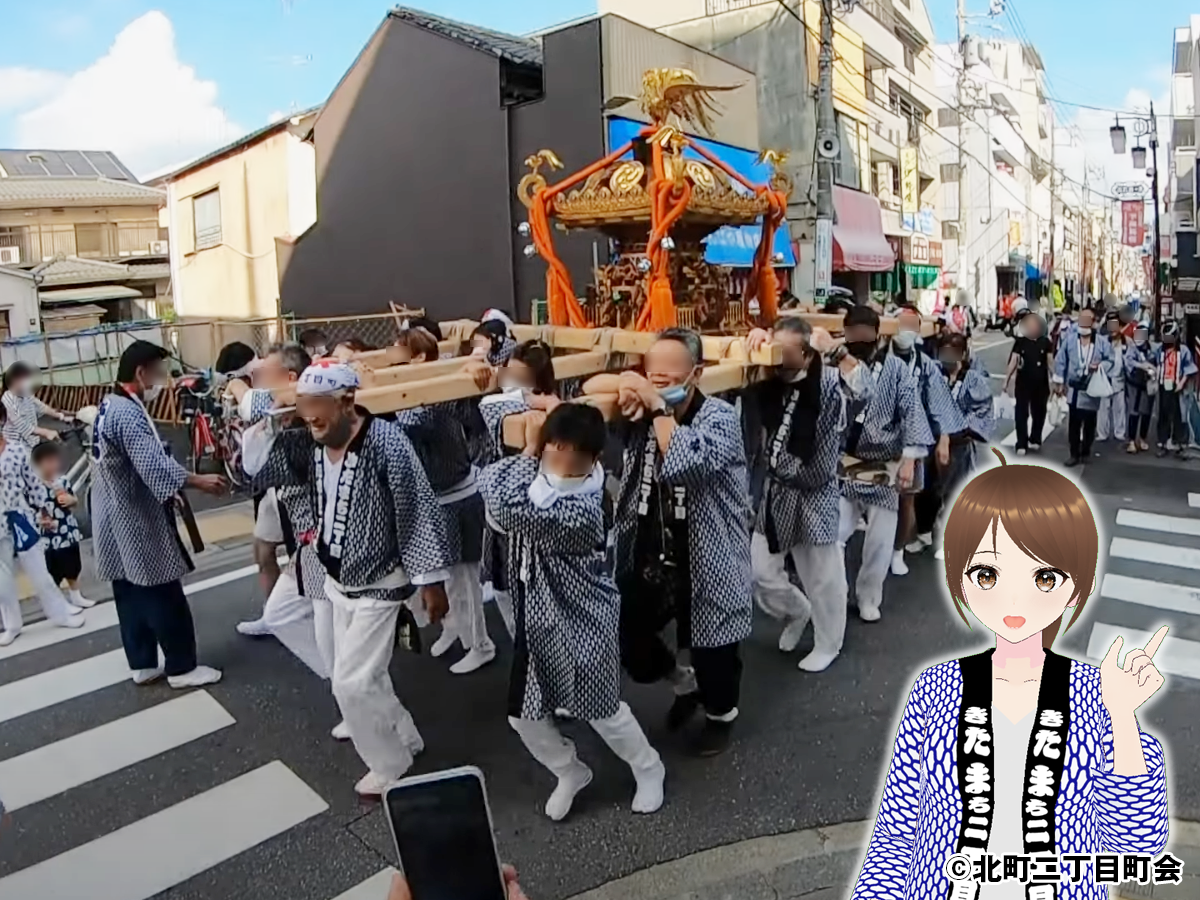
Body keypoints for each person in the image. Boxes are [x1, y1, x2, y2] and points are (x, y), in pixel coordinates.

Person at [851, 451, 1169, 899]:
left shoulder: (1097, 694)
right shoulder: (935, 690)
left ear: (1079, 584)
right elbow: (896, 833)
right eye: (987, 574)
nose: (1014, 599)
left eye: (1043, 578)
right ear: (960, 576)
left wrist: (1121, 717)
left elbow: (1137, 844)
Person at [245, 360, 454, 796]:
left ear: (347, 402)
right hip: (337, 577)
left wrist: (430, 582)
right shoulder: (307, 442)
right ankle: (406, 735)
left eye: (321, 405)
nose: (313, 415)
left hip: (382, 580)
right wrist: (270, 417)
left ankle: (390, 764)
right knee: (365, 677)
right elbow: (257, 472)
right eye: (305, 405)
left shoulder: (387, 444)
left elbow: (417, 513)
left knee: (351, 681)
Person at [481, 403, 665, 821]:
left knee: (601, 708)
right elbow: (495, 441)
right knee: (523, 716)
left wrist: (529, 450)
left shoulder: (583, 508)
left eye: (573, 452)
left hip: (584, 619)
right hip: (538, 616)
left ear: (594, 458)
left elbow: (502, 501)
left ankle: (648, 766)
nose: (561, 458)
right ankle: (569, 770)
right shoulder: (543, 482)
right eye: (555, 445)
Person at [584, 328, 753, 757]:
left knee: (713, 646)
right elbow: (590, 389)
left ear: (695, 374)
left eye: (667, 378)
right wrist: (627, 383)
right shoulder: (642, 407)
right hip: (650, 546)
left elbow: (687, 464)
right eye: (650, 374)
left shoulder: (719, 416)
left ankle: (720, 714)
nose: (655, 385)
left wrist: (657, 404)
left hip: (706, 549)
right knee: (628, 631)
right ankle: (683, 682)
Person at [91, 341, 227, 686]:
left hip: (111, 514)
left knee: (129, 594)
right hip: (135, 516)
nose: (162, 380)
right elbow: (152, 467)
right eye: (159, 372)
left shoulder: (109, 404)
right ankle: (182, 667)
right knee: (162, 591)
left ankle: (143, 663)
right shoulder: (128, 413)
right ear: (141, 372)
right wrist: (196, 480)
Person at [743, 318, 849, 673]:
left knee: (822, 575)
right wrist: (754, 347)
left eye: (784, 352)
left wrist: (834, 349)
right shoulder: (767, 382)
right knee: (760, 572)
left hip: (813, 492)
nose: (778, 359)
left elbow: (862, 390)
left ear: (806, 356)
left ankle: (828, 642)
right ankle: (796, 611)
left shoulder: (828, 382)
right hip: (775, 493)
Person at [833, 304, 933, 623]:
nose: (858, 339)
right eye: (853, 333)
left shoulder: (896, 370)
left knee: (879, 540)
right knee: (833, 535)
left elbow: (913, 413)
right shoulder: (834, 363)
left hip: (883, 460)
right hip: (843, 460)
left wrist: (908, 461)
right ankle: (834, 593)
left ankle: (868, 596)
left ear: (877, 334)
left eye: (865, 333)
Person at [226, 343, 308, 601]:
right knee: (263, 550)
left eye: (265, 372)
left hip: (302, 503)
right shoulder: (279, 402)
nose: (258, 379)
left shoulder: (300, 399)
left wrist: (235, 385)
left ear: (290, 377)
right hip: (280, 492)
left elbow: (250, 404)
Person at [0, 404, 85, 646]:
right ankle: (11, 624)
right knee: (2, 578)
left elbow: (34, 486)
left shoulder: (17, 451)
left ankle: (60, 613)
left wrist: (44, 511)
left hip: (21, 516)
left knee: (39, 570)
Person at [886, 305, 962, 575]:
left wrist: (943, 439)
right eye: (901, 323)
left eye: (912, 324)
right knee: (875, 497)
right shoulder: (878, 356)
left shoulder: (926, 363)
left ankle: (897, 550)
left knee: (907, 498)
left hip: (912, 438)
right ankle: (878, 551)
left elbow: (940, 404)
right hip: (878, 437)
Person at [930, 334, 994, 559]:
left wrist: (954, 431)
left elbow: (981, 410)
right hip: (931, 439)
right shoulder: (933, 374)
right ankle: (927, 532)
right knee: (932, 490)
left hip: (959, 443)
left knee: (957, 492)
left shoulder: (973, 379)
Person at [31, 440, 94, 610]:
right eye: (48, 462)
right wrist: (41, 520)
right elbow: (31, 510)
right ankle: (57, 603)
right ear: (38, 464)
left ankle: (76, 595)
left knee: (73, 564)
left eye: (55, 460)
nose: (53, 465)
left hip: (67, 531)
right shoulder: (34, 487)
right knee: (53, 570)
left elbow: (74, 500)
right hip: (49, 537)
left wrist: (70, 500)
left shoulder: (63, 482)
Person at [1052, 305, 1113, 467]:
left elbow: (1110, 360)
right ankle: (1074, 453)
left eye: (1088, 320)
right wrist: (1059, 382)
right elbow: (1060, 360)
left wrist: (1099, 366)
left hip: (1092, 387)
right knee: (1074, 424)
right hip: (1074, 389)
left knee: (1090, 423)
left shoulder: (1101, 342)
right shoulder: (1070, 340)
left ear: (1093, 322)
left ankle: (1086, 451)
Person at [1003, 310, 1053, 455]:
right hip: (1023, 383)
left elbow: (1050, 362)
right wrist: (1006, 380)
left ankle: (1035, 438)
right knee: (1021, 413)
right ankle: (1021, 443)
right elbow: (1013, 361)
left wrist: (1056, 379)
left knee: (1039, 412)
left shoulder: (1046, 342)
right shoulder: (1020, 342)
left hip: (1041, 383)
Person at [1152, 321, 1197, 458]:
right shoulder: (1159, 349)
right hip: (1164, 384)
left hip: (1178, 385)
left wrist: (1182, 382)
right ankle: (1163, 443)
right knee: (1164, 413)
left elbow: (1189, 368)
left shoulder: (1183, 350)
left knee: (1180, 415)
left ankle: (1180, 445)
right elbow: (1153, 362)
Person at [2, 361, 71, 448]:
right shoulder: (7, 401)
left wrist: (60, 416)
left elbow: (41, 407)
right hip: (15, 448)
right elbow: (23, 426)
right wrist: (46, 432)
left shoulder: (26, 393)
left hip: (32, 443)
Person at [1097, 310, 1129, 444]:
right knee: (1103, 408)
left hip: (1119, 379)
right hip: (1104, 379)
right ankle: (1102, 433)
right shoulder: (1102, 341)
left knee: (1120, 408)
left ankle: (1119, 432)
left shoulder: (1127, 342)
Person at [1124, 322, 1156, 454]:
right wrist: (1141, 365)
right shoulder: (1132, 348)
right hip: (1134, 384)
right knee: (1134, 412)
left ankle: (1142, 438)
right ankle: (1131, 441)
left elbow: (1158, 362)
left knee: (1147, 412)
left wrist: (1154, 369)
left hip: (1148, 384)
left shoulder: (1152, 348)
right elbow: (1128, 362)